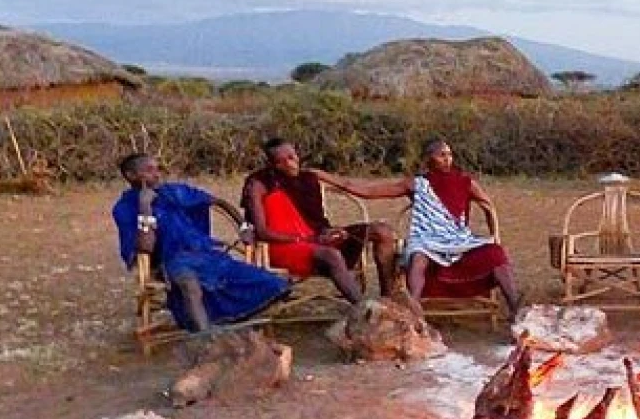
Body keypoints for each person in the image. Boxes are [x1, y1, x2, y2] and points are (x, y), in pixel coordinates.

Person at [313, 138, 522, 321]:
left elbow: (488, 206)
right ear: (429, 159)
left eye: (449, 155)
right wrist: (325, 176)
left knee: (496, 253)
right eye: (441, 155)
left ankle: (515, 310)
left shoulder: (466, 182)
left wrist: (494, 234)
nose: (447, 159)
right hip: (426, 240)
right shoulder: (416, 184)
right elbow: (368, 191)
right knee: (418, 258)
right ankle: (414, 314)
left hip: (458, 240)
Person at [112, 153, 288, 332]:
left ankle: (228, 322)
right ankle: (204, 339)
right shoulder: (125, 208)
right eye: (149, 171)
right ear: (131, 175)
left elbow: (219, 202)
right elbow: (145, 247)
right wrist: (145, 208)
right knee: (190, 286)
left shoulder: (175, 192)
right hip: (170, 261)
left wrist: (243, 226)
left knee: (276, 285)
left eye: (157, 169)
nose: (157, 175)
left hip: (205, 254)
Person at [242, 138, 396, 304]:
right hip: (287, 245)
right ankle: (364, 308)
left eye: (292, 157)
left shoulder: (311, 175)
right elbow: (262, 231)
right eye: (282, 161)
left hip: (319, 236)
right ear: (272, 164)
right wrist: (306, 239)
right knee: (331, 255)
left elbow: (347, 184)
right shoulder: (259, 184)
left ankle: (388, 300)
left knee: (382, 231)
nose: (291, 164)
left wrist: (333, 232)